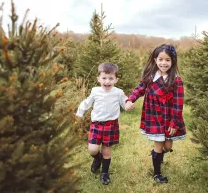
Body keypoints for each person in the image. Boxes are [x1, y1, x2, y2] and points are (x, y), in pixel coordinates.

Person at [125, 44, 186, 183]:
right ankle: (157, 173)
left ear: (173, 61)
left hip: (169, 118)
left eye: (168, 60)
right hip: (154, 117)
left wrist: (175, 122)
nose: (164, 63)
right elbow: (139, 89)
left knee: (168, 146)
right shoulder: (150, 76)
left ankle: (157, 155)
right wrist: (130, 99)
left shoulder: (176, 80)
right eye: (161, 59)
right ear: (155, 60)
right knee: (158, 145)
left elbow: (178, 103)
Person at [75, 62, 128, 185]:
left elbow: (124, 101)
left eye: (111, 78)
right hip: (96, 125)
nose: (107, 81)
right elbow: (87, 103)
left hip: (111, 125)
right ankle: (97, 159)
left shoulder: (118, 92)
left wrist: (128, 104)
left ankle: (105, 172)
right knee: (92, 149)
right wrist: (80, 112)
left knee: (106, 151)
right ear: (98, 78)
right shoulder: (95, 91)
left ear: (116, 80)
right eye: (104, 78)